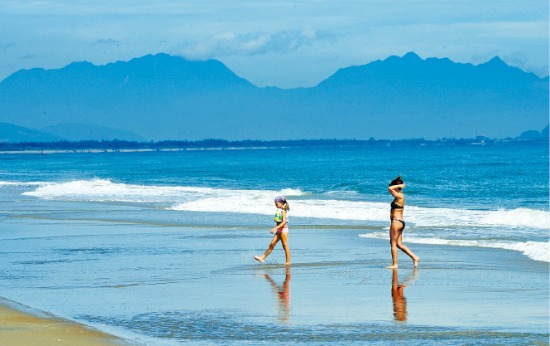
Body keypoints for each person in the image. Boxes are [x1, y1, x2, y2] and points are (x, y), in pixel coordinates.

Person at [387, 176, 419, 269]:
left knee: (393, 243)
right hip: (400, 222)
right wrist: (399, 186)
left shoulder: (399, 195)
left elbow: (389, 188)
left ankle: (395, 264)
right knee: (399, 244)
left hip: (396, 222)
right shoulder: (399, 195)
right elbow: (391, 188)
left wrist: (401, 185)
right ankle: (415, 257)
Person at [254, 196, 291, 265]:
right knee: (271, 245)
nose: (275, 205)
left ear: (281, 203)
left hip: (283, 230)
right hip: (279, 230)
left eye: (276, 203)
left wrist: (275, 228)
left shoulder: (283, 210)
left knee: (285, 246)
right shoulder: (279, 210)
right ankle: (262, 258)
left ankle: (288, 262)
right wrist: (277, 228)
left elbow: (284, 222)